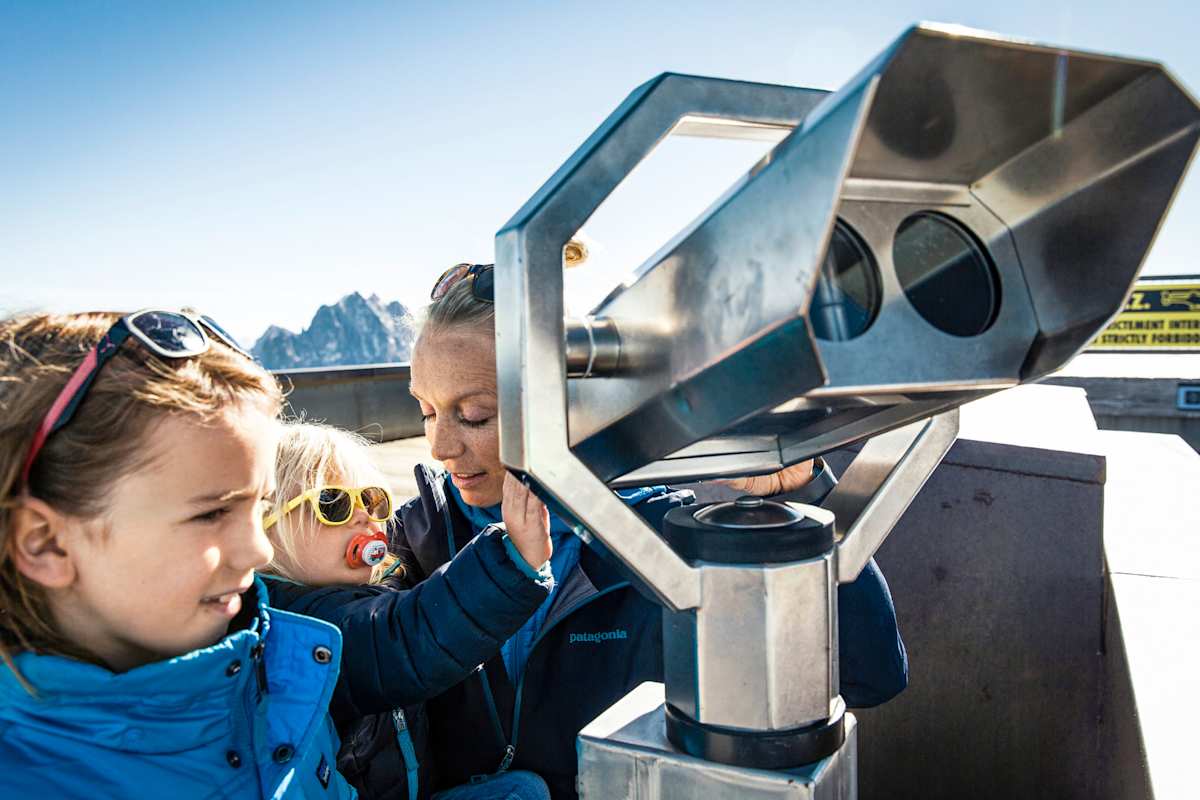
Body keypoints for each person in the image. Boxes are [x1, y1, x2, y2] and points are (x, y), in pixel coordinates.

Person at [385, 264, 909, 798]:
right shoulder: (415, 536)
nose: (439, 446)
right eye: (425, 411)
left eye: (473, 415)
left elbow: (868, 672)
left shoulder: (661, 542)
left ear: (566, 401)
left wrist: (800, 496)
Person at [0, 310, 355, 798]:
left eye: (260, 506)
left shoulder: (268, 658)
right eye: (211, 515)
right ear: (46, 543)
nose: (258, 549)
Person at [262, 420, 553, 800]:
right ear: (267, 529)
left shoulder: (373, 590)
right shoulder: (299, 628)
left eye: (372, 500)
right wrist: (511, 561)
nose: (364, 516)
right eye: (333, 504)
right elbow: (404, 636)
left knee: (521, 791)